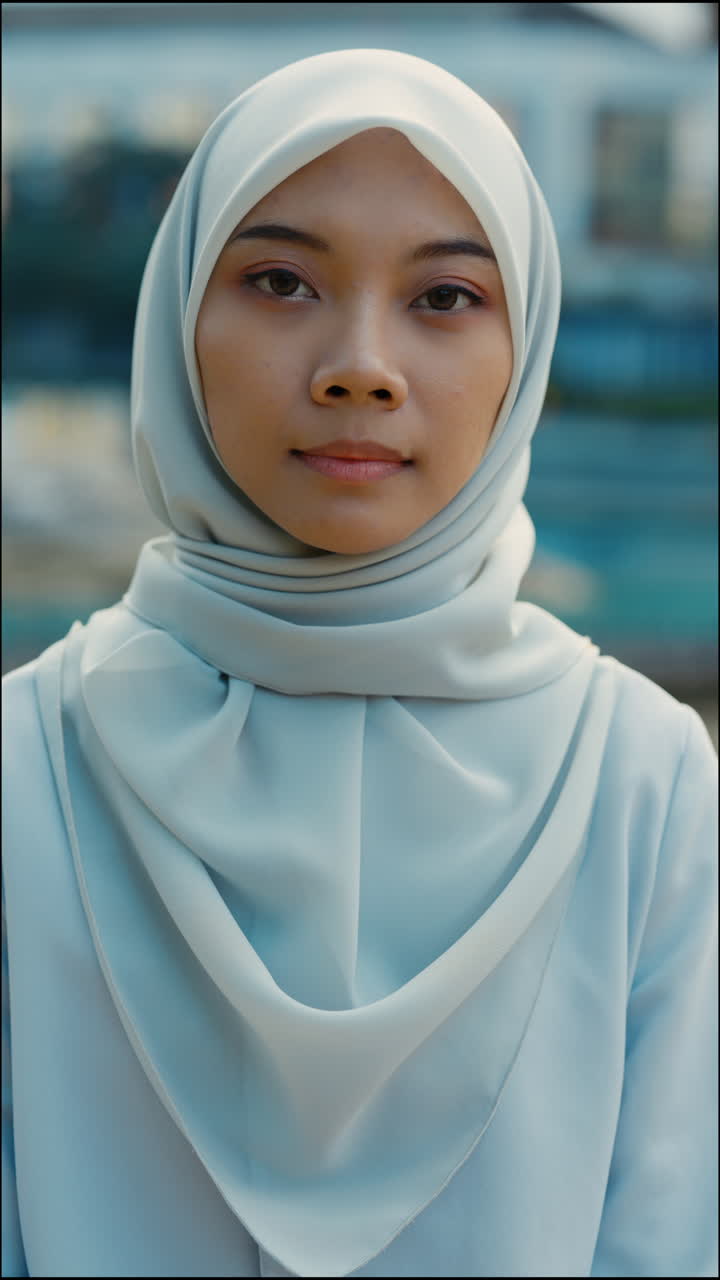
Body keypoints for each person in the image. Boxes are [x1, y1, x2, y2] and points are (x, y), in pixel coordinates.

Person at [1, 48, 717, 1280]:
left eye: (444, 298)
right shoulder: (25, 767)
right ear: (179, 320)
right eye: (280, 279)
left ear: (523, 348)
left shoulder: (639, 780)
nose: (360, 365)